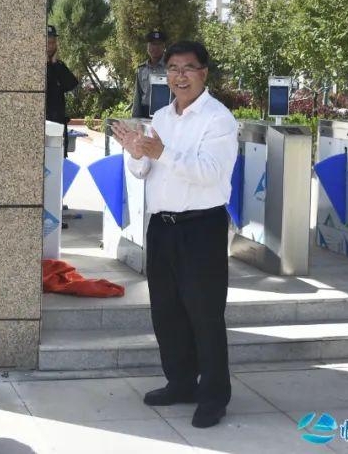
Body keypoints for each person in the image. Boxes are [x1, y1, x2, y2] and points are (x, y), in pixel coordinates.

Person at [111, 40, 238, 429]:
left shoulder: (218, 119)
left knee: (204, 313)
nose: (180, 76)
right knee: (166, 312)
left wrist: (161, 152)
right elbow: (144, 172)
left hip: (201, 227)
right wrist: (136, 153)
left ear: (204, 73)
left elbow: (210, 173)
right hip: (162, 228)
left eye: (188, 68)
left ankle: (213, 395)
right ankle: (180, 382)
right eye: (173, 69)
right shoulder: (162, 117)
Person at [44, 25, 79, 155]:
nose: (50, 46)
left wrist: (54, 64)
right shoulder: (34, 67)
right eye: (47, 42)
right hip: (41, 125)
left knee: (57, 161)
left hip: (57, 125)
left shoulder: (59, 65)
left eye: (53, 42)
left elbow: (71, 84)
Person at [131, 29, 168, 118]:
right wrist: (135, 118)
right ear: (147, 47)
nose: (155, 47)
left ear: (164, 46)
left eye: (158, 44)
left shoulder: (171, 67)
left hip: (165, 111)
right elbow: (138, 96)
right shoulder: (142, 69)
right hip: (145, 112)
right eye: (152, 44)